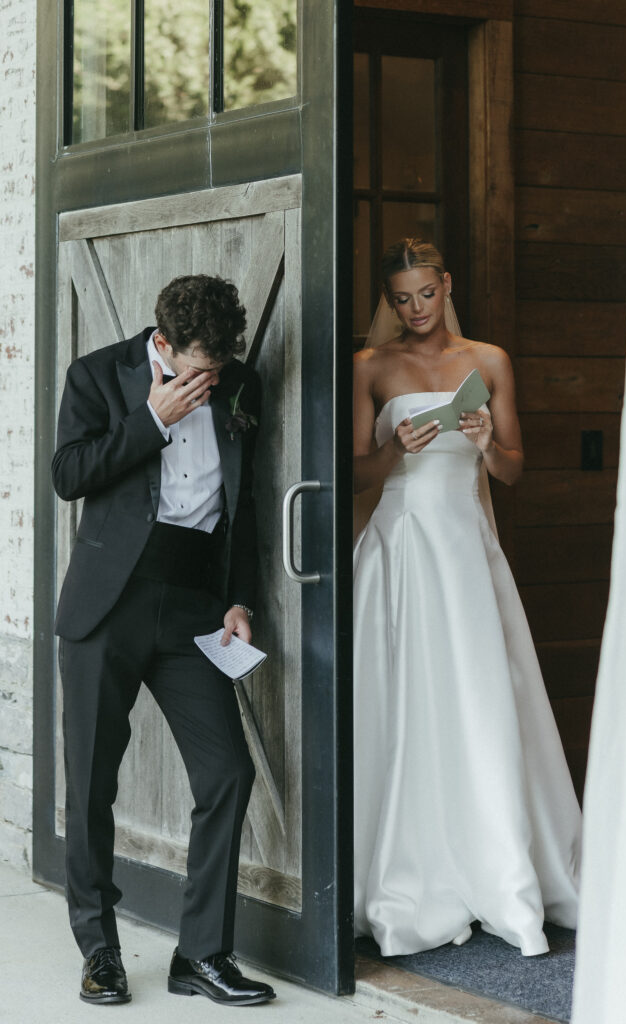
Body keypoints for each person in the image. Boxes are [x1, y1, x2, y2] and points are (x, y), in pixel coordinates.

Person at [353, 238, 582, 957]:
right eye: (401, 298)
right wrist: (399, 451)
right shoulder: (370, 367)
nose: (415, 309)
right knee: (400, 698)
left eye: (425, 292)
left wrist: (484, 442)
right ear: (388, 301)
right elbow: (358, 474)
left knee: (482, 697)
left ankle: (501, 867)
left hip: (464, 547)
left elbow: (513, 472)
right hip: (397, 547)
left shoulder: (488, 362)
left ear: (446, 285)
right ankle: (405, 867)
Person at [52, 274, 275, 1006]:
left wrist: (240, 598)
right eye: (196, 368)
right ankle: (100, 952)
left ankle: (202, 954)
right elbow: (68, 473)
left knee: (227, 775)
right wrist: (150, 417)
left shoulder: (240, 387)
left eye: (219, 368)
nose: (209, 382)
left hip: (192, 611)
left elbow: (244, 504)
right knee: (90, 785)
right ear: (164, 343)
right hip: (106, 606)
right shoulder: (97, 374)